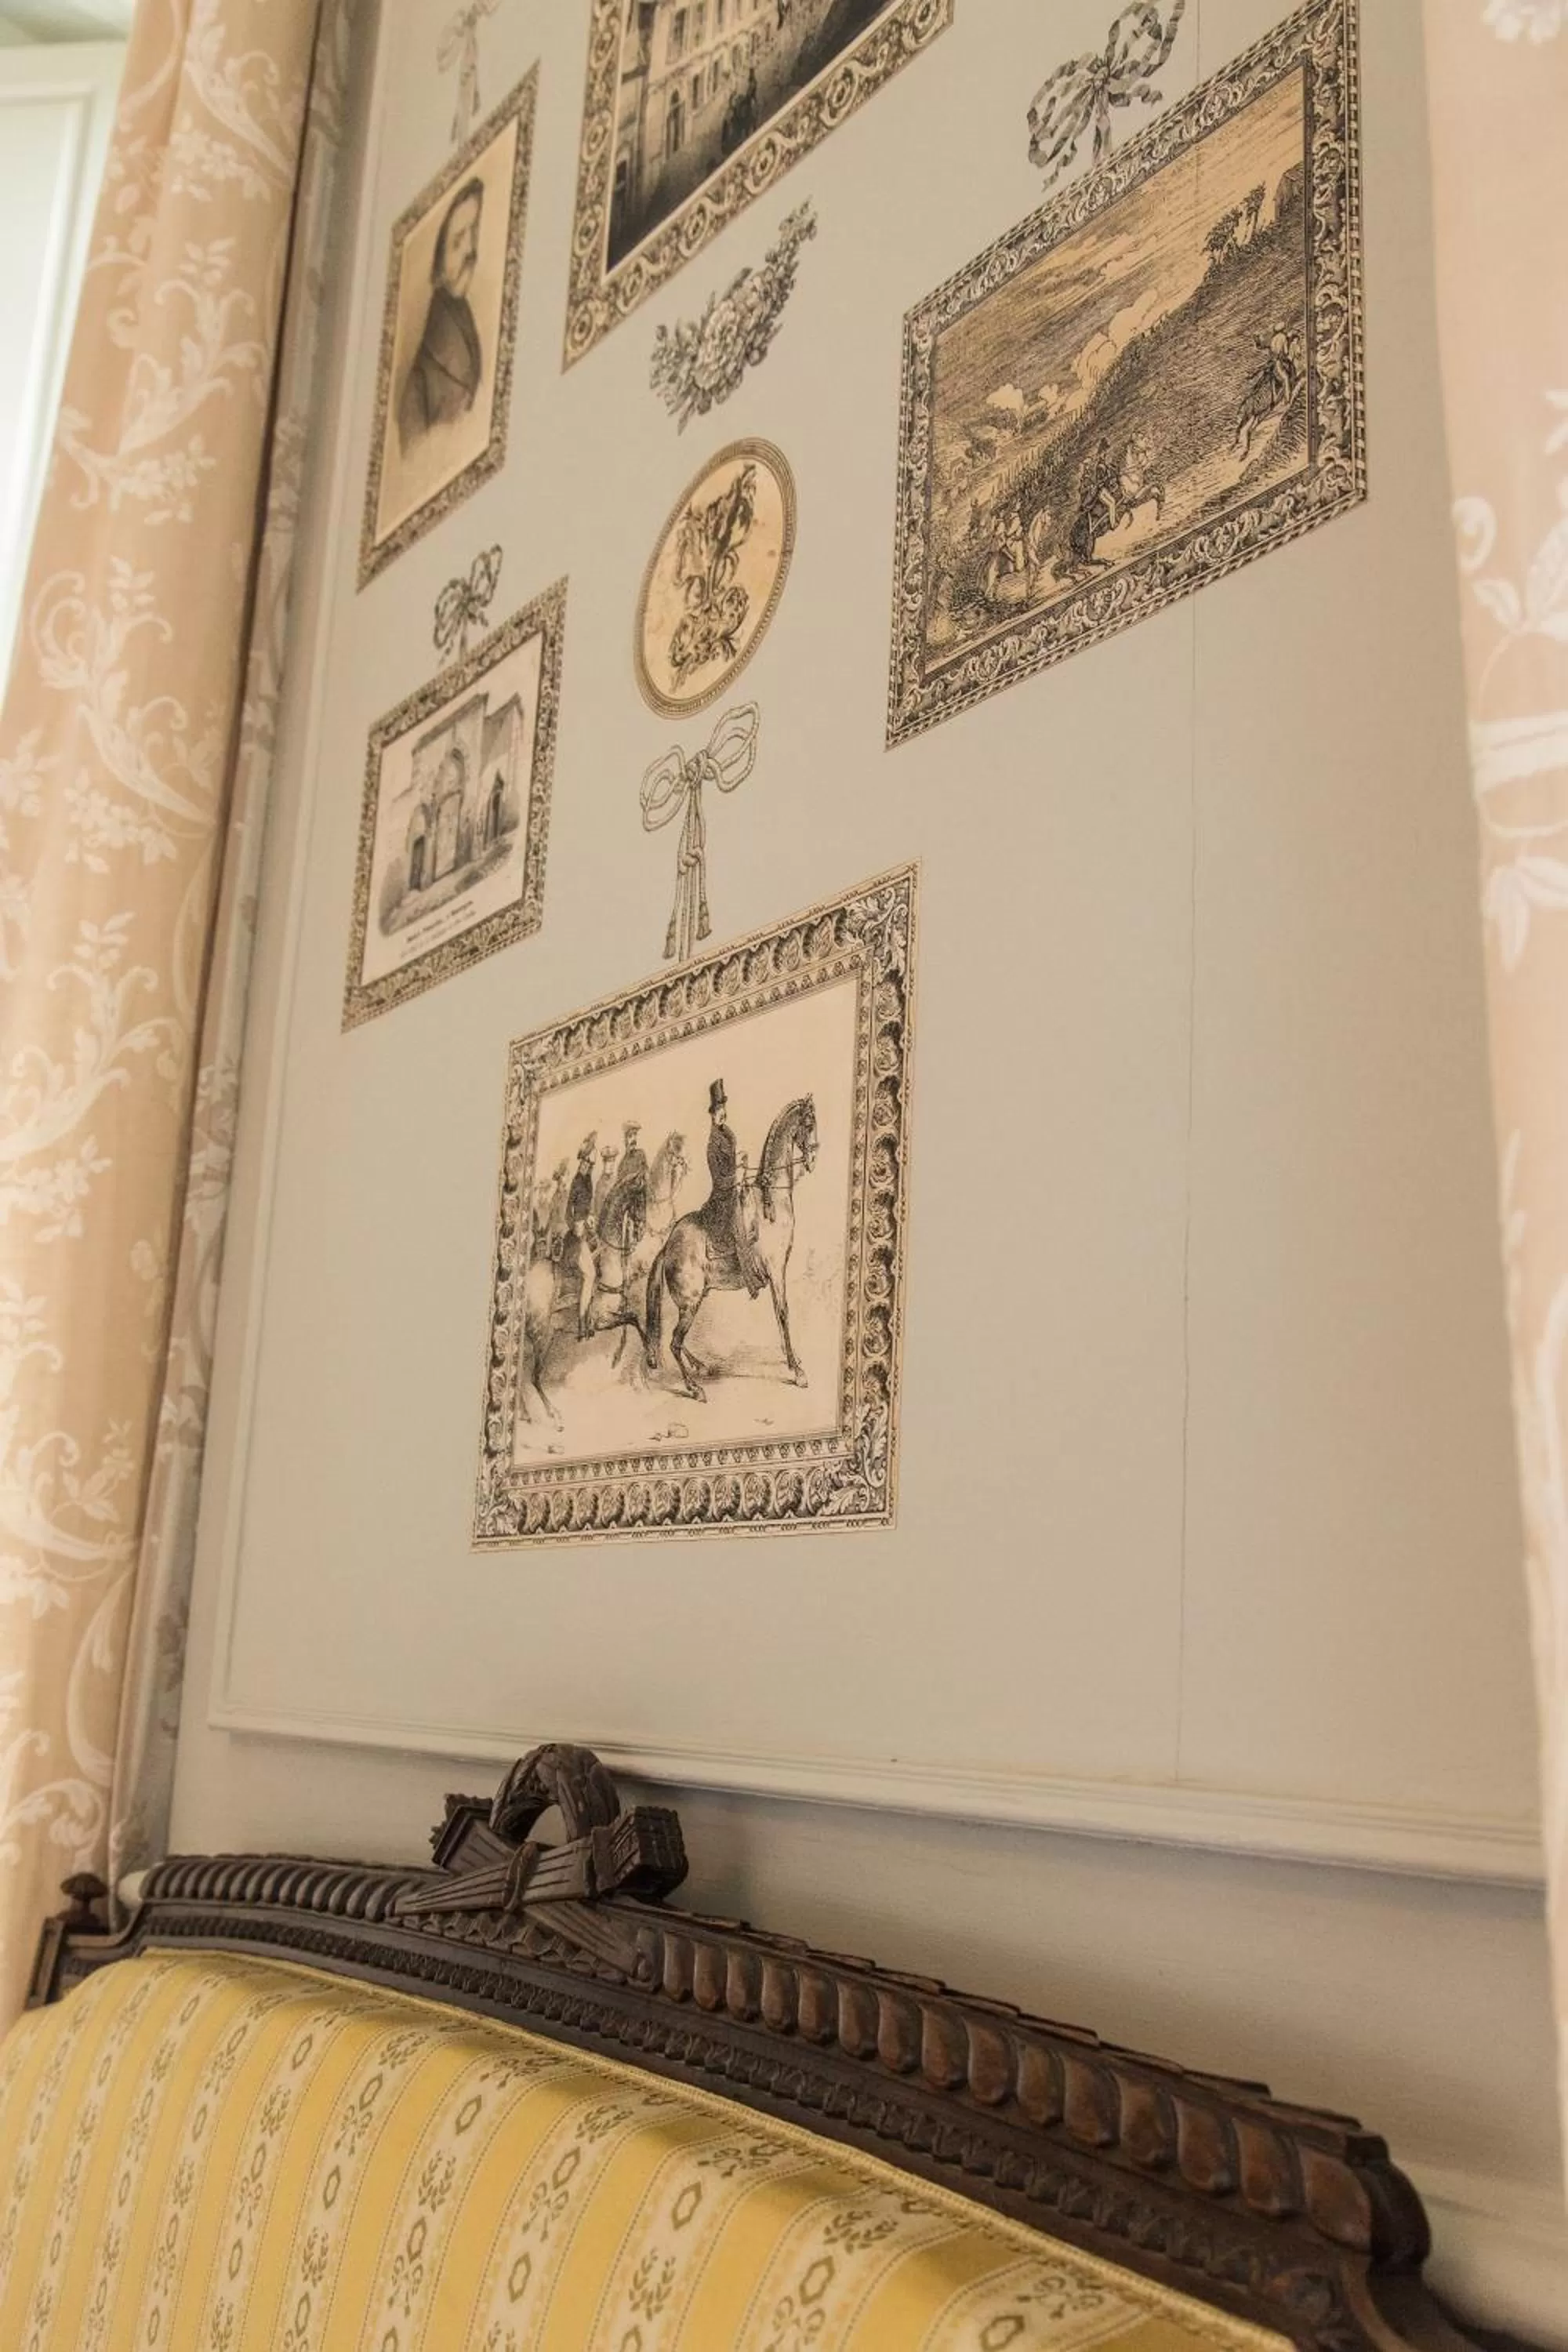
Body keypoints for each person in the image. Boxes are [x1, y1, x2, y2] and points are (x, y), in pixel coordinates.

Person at [397, 177, 485, 453]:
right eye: (457, 241)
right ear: (435, 262)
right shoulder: (418, 384)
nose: (471, 250)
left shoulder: (466, 322)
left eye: (474, 232)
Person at [702, 1082, 764, 1298]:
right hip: (723, 1195)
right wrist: (736, 1174)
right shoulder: (712, 1145)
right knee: (738, 1224)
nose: (722, 1113)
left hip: (734, 1186)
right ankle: (750, 1278)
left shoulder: (727, 1134)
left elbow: (730, 1163)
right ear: (712, 1115)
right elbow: (719, 1180)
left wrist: (740, 1160)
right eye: (717, 1111)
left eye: (723, 1109)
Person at [600, 1121, 649, 1258]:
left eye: (635, 1136)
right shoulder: (622, 1163)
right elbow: (620, 1188)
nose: (633, 1139)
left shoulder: (641, 1155)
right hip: (626, 1203)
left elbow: (646, 1176)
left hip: (639, 1199)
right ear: (625, 1139)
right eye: (630, 1136)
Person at [566, 1135, 599, 1341]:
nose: (587, 1167)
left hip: (587, 1233)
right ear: (581, 1162)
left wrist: (591, 1217)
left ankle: (589, 1320)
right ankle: (581, 1326)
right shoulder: (577, 1181)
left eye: (590, 1164)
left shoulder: (588, 1182)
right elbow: (567, 1214)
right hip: (575, 1239)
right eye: (585, 1163)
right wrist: (576, 1224)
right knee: (590, 1275)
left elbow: (589, 1208)